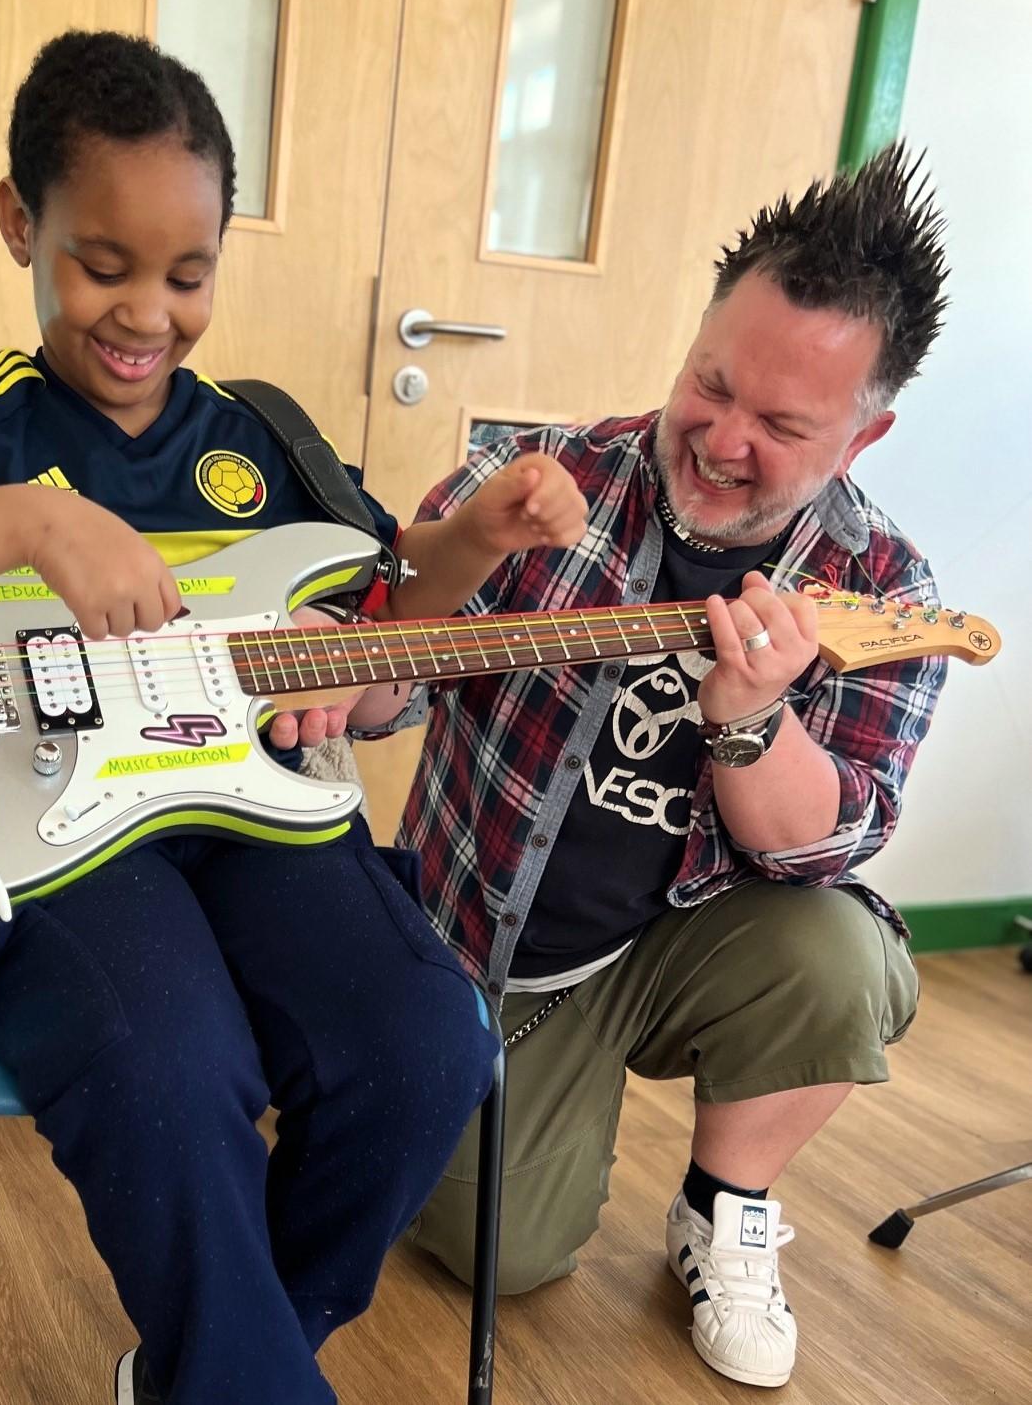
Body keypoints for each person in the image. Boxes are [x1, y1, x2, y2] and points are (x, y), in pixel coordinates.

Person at [0, 31, 590, 1405]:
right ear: (20, 223)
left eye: (187, 273)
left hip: (242, 820)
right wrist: (37, 521)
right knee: (170, 1062)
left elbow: (377, 651)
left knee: (422, 1044)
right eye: (103, 264)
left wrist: (464, 551)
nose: (146, 311)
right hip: (37, 831)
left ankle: (207, 1364)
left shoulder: (253, 440)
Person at [355, 143, 950, 1389]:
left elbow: (824, 843)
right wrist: (456, 550)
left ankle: (722, 1203)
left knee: (842, 957)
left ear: (862, 433)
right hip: (502, 950)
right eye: (708, 383)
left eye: (782, 425)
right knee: (494, 1252)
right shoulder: (534, 482)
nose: (722, 438)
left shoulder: (883, 589)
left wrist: (747, 720)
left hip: (691, 938)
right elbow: (364, 695)